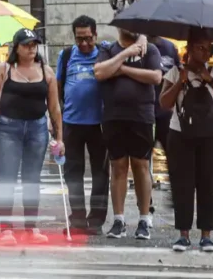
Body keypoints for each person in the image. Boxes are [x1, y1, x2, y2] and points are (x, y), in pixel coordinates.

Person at [0, 28, 63, 245]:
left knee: (32, 179)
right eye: (26, 44)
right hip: (7, 129)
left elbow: (55, 107)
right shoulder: (3, 70)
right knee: (7, 178)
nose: (31, 48)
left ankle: (31, 227)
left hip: (37, 129)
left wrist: (59, 137)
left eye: (34, 44)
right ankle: (6, 228)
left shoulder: (47, 72)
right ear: (16, 48)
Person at [160, 30, 213, 252]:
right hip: (180, 135)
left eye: (209, 48)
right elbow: (163, 103)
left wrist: (211, 80)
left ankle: (206, 235)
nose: (206, 53)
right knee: (183, 185)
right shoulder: (175, 72)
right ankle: (183, 235)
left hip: (211, 136)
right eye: (201, 48)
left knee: (208, 184)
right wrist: (179, 82)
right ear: (189, 49)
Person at [94, 28, 162, 240]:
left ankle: (143, 219)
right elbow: (99, 73)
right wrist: (125, 53)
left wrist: (121, 69)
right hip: (114, 116)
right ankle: (119, 220)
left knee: (141, 165)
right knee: (118, 166)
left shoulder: (149, 49)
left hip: (142, 116)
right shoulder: (108, 50)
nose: (131, 27)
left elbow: (155, 77)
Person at [57, 15, 109, 236]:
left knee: (100, 173)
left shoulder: (106, 53)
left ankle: (96, 220)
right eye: (80, 39)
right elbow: (58, 88)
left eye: (88, 38)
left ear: (95, 35)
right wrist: (56, 122)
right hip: (71, 123)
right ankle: (77, 217)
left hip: (99, 125)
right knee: (72, 173)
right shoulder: (67, 55)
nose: (84, 44)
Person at [149, 36, 181, 189]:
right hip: (145, 111)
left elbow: (178, 71)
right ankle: (145, 201)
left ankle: (177, 194)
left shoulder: (169, 47)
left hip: (166, 112)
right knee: (142, 159)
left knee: (174, 156)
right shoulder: (139, 47)